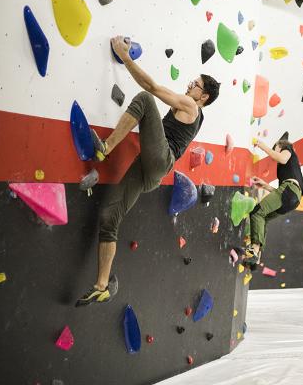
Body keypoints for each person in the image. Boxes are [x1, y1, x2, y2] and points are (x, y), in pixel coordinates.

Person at [76, 36, 220, 307]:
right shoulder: (191, 110)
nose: (190, 84)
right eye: (192, 81)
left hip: (160, 159)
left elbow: (151, 87)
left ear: (204, 97)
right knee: (109, 217)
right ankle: (102, 285)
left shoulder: (190, 106)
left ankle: (104, 148)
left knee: (144, 98)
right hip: (151, 169)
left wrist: (125, 57)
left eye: (195, 84)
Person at [243, 132, 303, 267]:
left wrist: (263, 146)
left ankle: (254, 250)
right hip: (293, 198)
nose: (275, 153)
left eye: (275, 148)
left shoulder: (287, 149)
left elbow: (281, 159)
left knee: (257, 212)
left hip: (289, 190)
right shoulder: (288, 168)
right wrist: (265, 185)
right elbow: (282, 192)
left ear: (279, 145)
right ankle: (256, 256)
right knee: (263, 218)